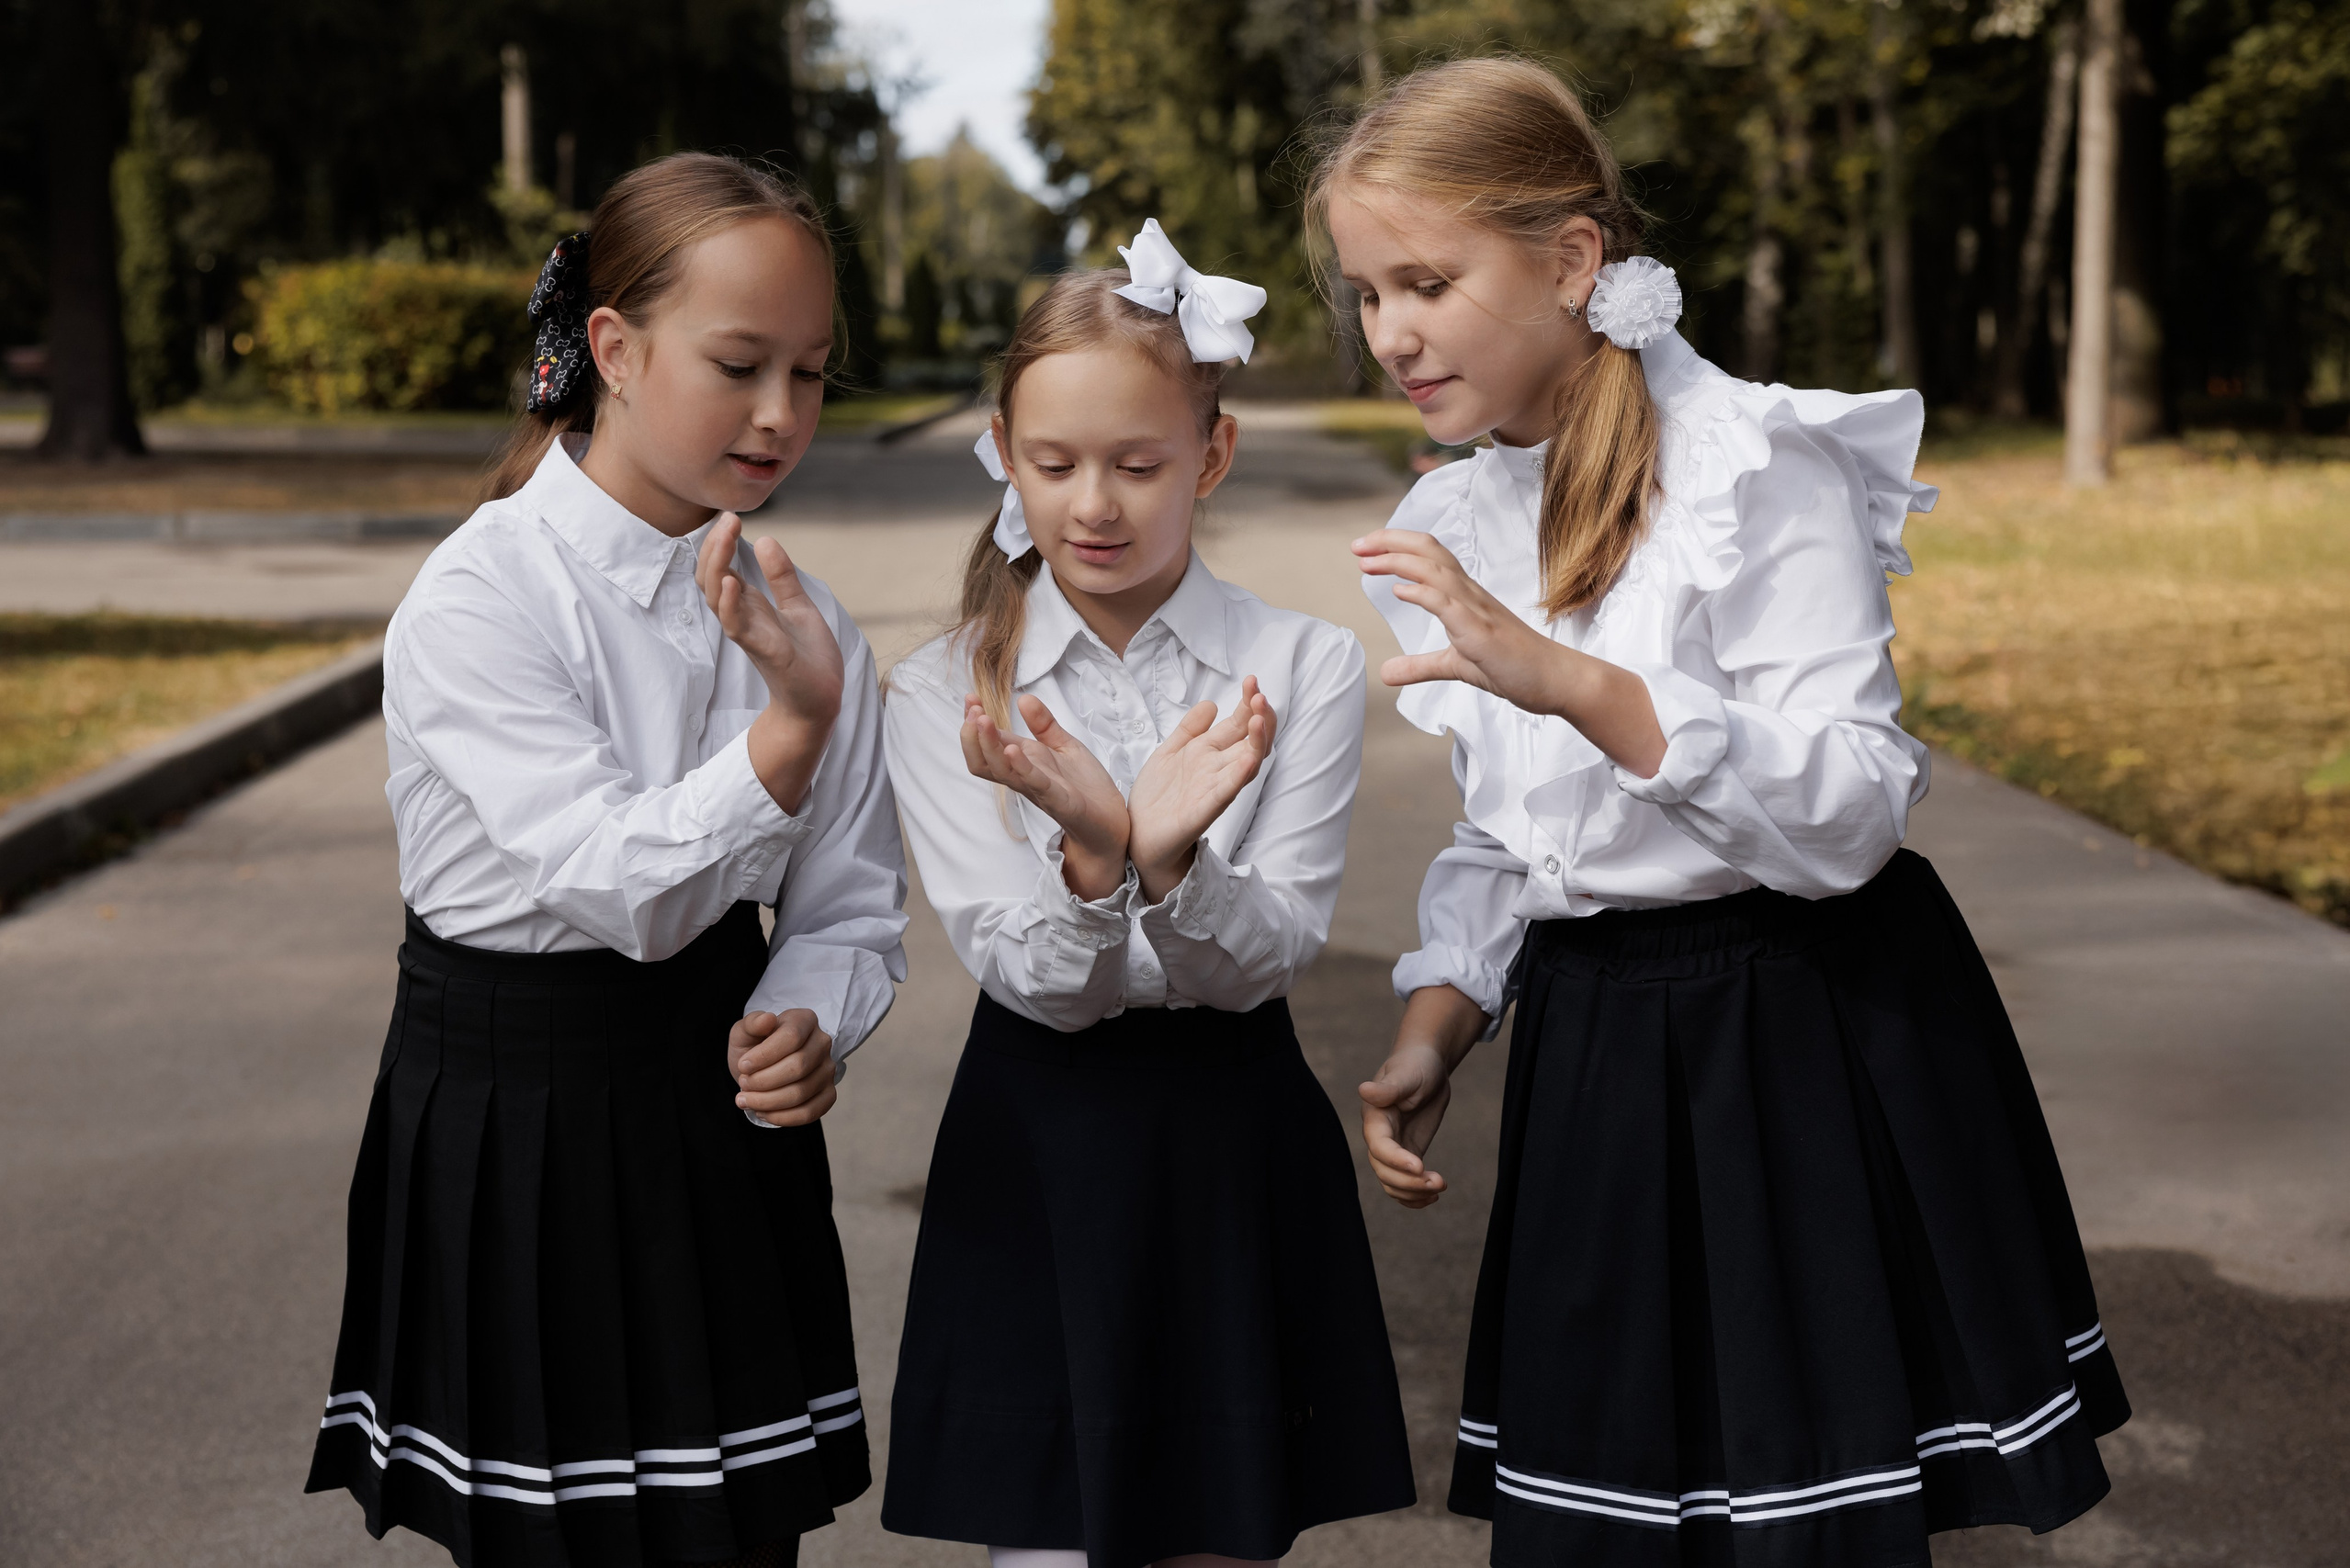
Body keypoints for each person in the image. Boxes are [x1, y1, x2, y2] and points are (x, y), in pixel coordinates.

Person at [1311, 58, 2130, 1568]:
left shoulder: (1754, 465)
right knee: (1601, 1524)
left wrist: (1584, 685)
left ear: (1569, 262)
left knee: (1800, 1521)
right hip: (1596, 1064)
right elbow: (1518, 837)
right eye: (1366, 293)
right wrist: (1438, 1019)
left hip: (1797, 1044)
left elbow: (1856, 806)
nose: (1391, 332)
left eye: (1425, 279)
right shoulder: (1457, 511)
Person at [305, 152, 908, 1568]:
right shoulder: (482, 592)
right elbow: (623, 890)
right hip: (518, 1111)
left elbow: (852, 903)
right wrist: (790, 725)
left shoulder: (807, 620)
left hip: (716, 1122)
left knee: (734, 1535)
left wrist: (815, 1014)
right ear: (616, 351)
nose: (780, 414)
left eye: (812, 374)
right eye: (740, 362)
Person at [877, 228, 1416, 1568]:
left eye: (1137, 464)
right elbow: (1028, 975)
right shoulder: (947, 687)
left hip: (1229, 1141)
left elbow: (1265, 958)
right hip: (1036, 1144)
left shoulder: (1302, 667)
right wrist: (1095, 857)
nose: (1093, 506)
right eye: (1054, 465)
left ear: (1211, 458)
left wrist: (1171, 865)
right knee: (1047, 1543)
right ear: (1002, 451)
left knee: (1222, 1535)